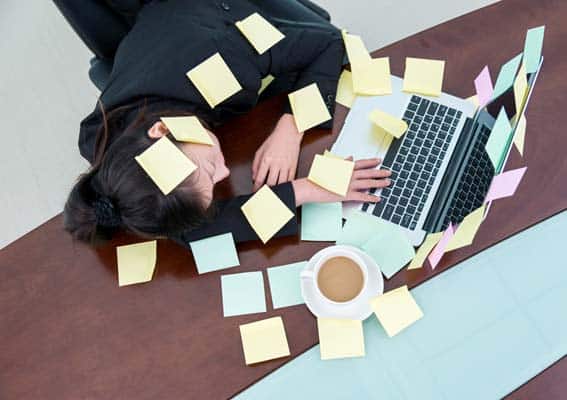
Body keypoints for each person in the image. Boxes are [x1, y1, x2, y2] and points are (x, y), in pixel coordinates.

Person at [63, 0, 392, 247]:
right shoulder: (108, 157)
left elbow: (328, 44)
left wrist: (292, 127)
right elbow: (190, 230)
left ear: (163, 130)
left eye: (208, 168)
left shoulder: (222, 61)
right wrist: (304, 190)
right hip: (157, 44)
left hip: (208, 24)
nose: (222, 174)